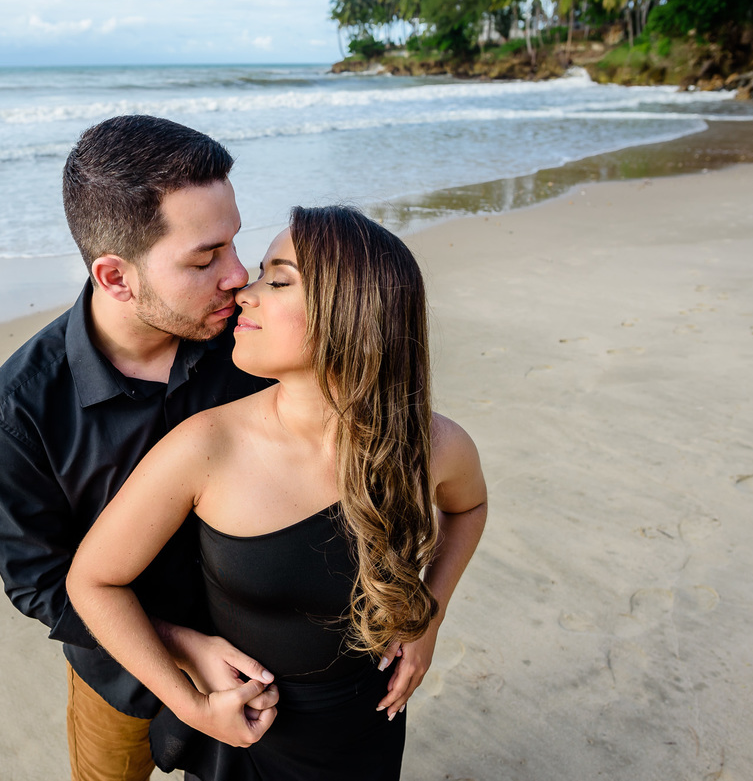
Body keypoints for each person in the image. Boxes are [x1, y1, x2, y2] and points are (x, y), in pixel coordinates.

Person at [68, 206, 488, 780]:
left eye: (278, 279)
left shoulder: (434, 445)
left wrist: (428, 618)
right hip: (249, 728)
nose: (245, 291)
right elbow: (92, 580)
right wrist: (195, 707)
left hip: (366, 720)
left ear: (352, 314)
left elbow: (468, 507)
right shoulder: (206, 447)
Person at [0, 115, 281, 781]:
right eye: (205, 258)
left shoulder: (252, 342)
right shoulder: (18, 410)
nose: (238, 274)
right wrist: (178, 645)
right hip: (116, 679)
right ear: (115, 277)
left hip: (266, 660)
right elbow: (39, 581)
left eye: (233, 242)